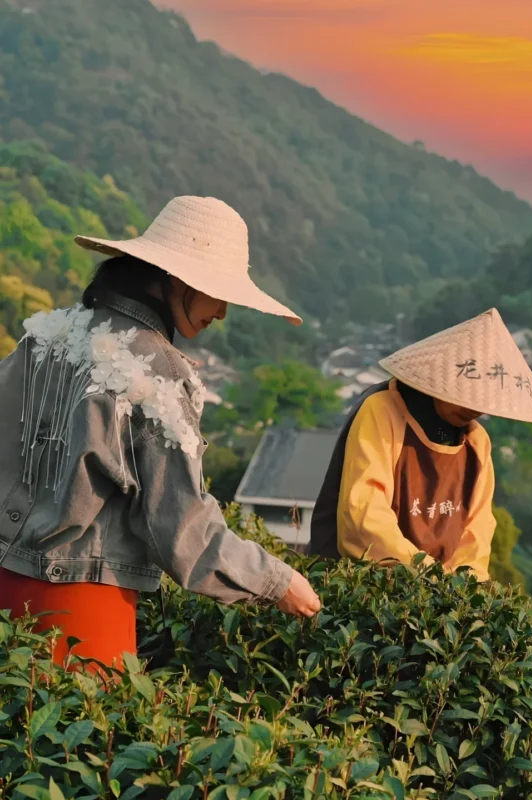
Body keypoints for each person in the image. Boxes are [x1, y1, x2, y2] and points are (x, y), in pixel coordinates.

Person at [0, 195, 320, 670]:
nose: (223, 312)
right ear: (177, 278)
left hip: (6, 587)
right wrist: (275, 580)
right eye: (218, 291)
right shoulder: (161, 369)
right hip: (84, 607)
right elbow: (179, 523)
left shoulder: (44, 337)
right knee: (85, 734)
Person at [310, 309, 532, 581]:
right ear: (440, 380)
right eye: (467, 395)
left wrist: (462, 591)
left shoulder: (476, 442)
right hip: (357, 591)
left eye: (483, 403)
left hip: (433, 600)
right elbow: (363, 519)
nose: (474, 410)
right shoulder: (381, 411)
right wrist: (431, 576)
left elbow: (476, 535)